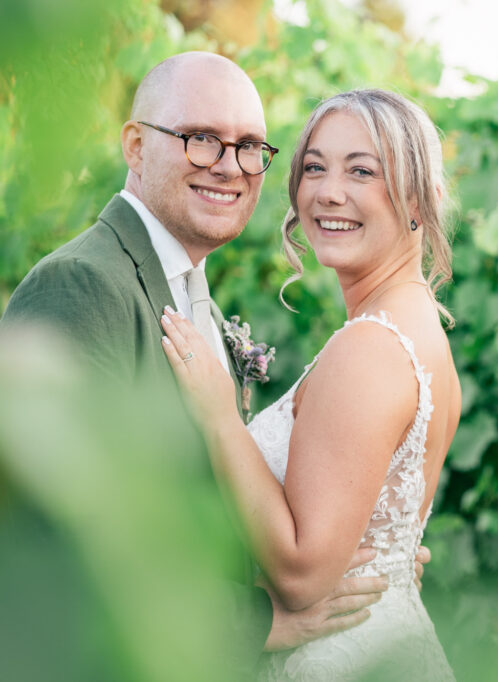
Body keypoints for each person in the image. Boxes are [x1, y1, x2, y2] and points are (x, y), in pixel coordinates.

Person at [0, 52, 402, 671]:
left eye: (249, 147)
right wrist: (265, 620)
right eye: (201, 140)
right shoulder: (81, 287)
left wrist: (365, 560)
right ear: (135, 146)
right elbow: (62, 547)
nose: (231, 167)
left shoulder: (198, 307)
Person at [159, 88, 460, 680]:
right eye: (315, 167)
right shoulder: (417, 326)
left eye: (362, 171)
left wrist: (221, 421)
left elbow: (300, 575)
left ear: (419, 201)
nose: (328, 192)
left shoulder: (370, 348)